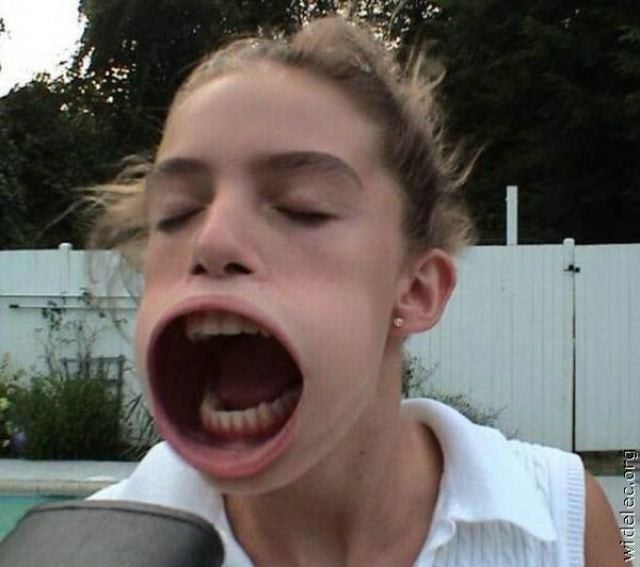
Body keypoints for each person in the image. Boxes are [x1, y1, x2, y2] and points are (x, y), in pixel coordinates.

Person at [88, 16, 624, 566]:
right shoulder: (85, 552)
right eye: (176, 213)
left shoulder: (559, 523)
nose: (212, 239)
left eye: (303, 207)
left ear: (416, 291)